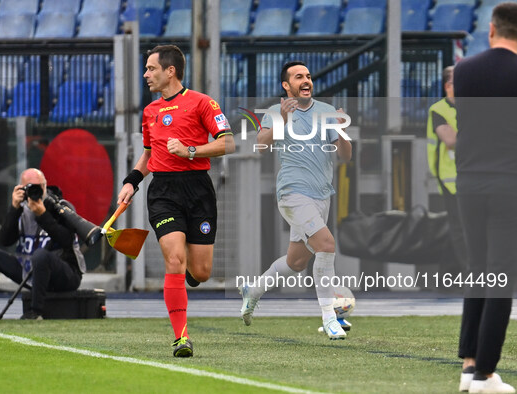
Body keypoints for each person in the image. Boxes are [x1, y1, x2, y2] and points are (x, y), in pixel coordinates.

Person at [117, 45, 235, 357]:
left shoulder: (202, 103)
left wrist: (191, 150)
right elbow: (149, 153)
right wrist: (132, 181)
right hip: (163, 192)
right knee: (174, 259)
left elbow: (228, 142)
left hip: (198, 190)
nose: (145, 74)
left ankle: (189, 277)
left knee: (202, 271)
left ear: (171, 71)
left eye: (151, 68)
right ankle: (181, 337)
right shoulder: (149, 112)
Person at [238, 61, 352, 339]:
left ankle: (253, 290)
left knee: (296, 262)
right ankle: (329, 317)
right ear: (286, 86)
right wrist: (283, 121)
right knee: (326, 245)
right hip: (292, 194)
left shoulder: (326, 111)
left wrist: (341, 130)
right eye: (298, 76)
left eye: (309, 76)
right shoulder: (277, 112)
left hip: (322, 195)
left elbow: (346, 156)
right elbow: (260, 146)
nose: (306, 80)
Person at [453, 3, 517, 393]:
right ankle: (485, 374)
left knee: (478, 270)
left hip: (469, 182)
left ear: (492, 29)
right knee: (501, 276)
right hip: (510, 183)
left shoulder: (464, 71)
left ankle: (468, 365)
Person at [0, 168, 86, 321]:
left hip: (65, 273)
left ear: (45, 186)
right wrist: (14, 209)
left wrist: (43, 216)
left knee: (40, 255)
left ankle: (35, 312)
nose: (35, 191)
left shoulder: (61, 207)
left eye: (39, 187)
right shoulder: (22, 210)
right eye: (30, 187)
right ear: (21, 188)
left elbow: (66, 240)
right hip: (30, 272)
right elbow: (6, 240)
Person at [426, 65, 468, 277]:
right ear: (447, 86)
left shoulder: (471, 107)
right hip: (450, 178)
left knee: (466, 226)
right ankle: (470, 274)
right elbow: (450, 140)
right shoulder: (438, 110)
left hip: (470, 175)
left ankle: (447, 274)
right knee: (460, 227)